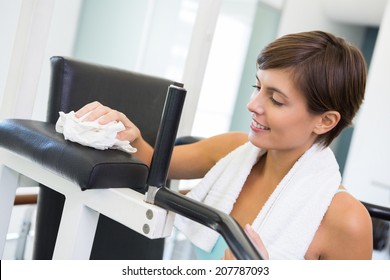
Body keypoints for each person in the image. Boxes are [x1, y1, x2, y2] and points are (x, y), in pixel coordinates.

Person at [75, 31, 373, 260]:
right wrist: (129, 135)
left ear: (324, 121)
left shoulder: (347, 221)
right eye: (258, 87)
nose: (252, 105)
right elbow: (156, 164)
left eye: (277, 99)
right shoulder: (234, 150)